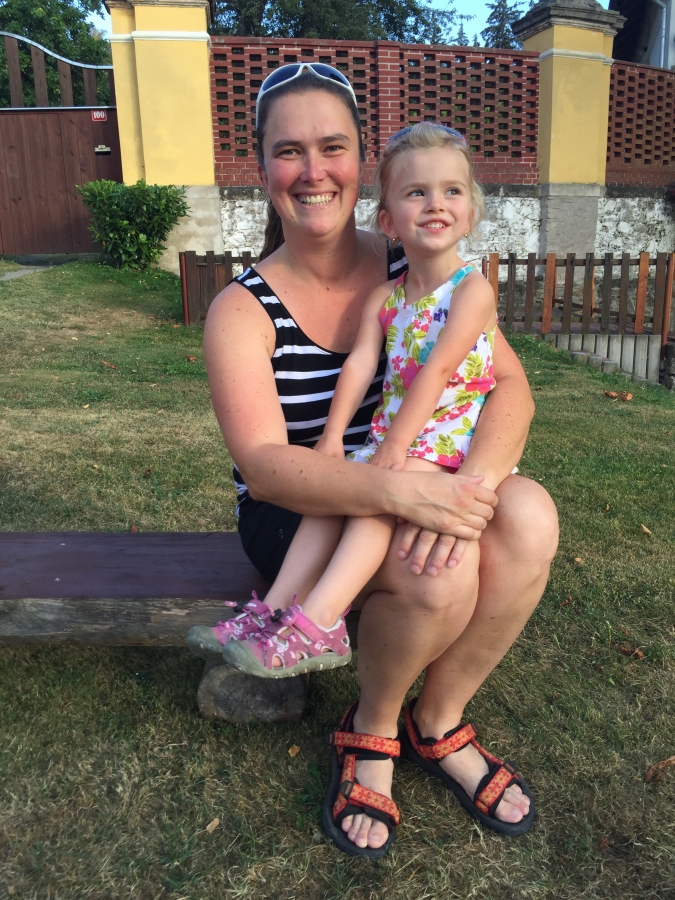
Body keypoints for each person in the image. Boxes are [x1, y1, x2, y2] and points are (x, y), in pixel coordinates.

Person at [188, 62, 559, 858]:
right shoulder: (241, 307)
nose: (312, 171)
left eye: (332, 147)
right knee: (438, 575)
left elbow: (509, 387)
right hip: (301, 512)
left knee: (528, 516)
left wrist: (469, 491)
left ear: (363, 163)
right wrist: (402, 494)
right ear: (261, 167)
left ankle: (438, 718)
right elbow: (265, 465)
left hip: (423, 470)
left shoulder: (413, 261)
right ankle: (373, 729)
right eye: (289, 151)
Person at [214, 122, 499, 682]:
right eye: (417, 192)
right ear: (388, 219)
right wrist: (329, 441)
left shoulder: (472, 291)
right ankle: (270, 612)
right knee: (333, 498)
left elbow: (442, 370)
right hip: (390, 437)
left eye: (452, 191)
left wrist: (393, 451)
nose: (435, 203)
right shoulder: (388, 296)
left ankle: (319, 622)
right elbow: (360, 365)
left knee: (375, 504)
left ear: (470, 213)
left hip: (442, 438)